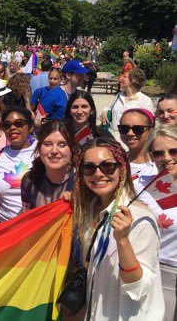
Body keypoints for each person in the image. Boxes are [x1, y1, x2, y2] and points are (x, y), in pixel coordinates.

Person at [72, 138, 163, 321]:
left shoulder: (140, 219)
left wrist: (122, 240)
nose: (98, 174)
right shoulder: (88, 211)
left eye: (107, 166)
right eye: (89, 168)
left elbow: (138, 287)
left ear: (121, 169)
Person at [0, 106, 37, 222]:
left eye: (19, 123)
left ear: (31, 127)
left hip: (36, 227)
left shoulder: (42, 153)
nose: (12, 128)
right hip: (4, 227)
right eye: (7, 125)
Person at [145, 125, 177, 321]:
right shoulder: (142, 189)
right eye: (158, 153)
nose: (166, 158)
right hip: (163, 273)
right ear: (151, 156)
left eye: (174, 151)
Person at [21, 120, 76, 211]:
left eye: (62, 144)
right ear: (39, 148)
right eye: (47, 144)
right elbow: (27, 219)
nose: (54, 151)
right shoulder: (29, 180)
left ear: (71, 149)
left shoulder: (82, 181)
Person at [101, 68, 154, 144]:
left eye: (125, 77)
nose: (121, 78)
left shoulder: (145, 100)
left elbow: (150, 124)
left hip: (131, 141)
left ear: (133, 80)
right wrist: (105, 111)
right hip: (113, 139)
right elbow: (110, 108)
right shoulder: (119, 96)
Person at [117, 108, 158, 193]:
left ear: (150, 130)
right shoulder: (116, 162)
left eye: (138, 129)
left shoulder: (160, 164)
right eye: (124, 128)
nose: (130, 133)